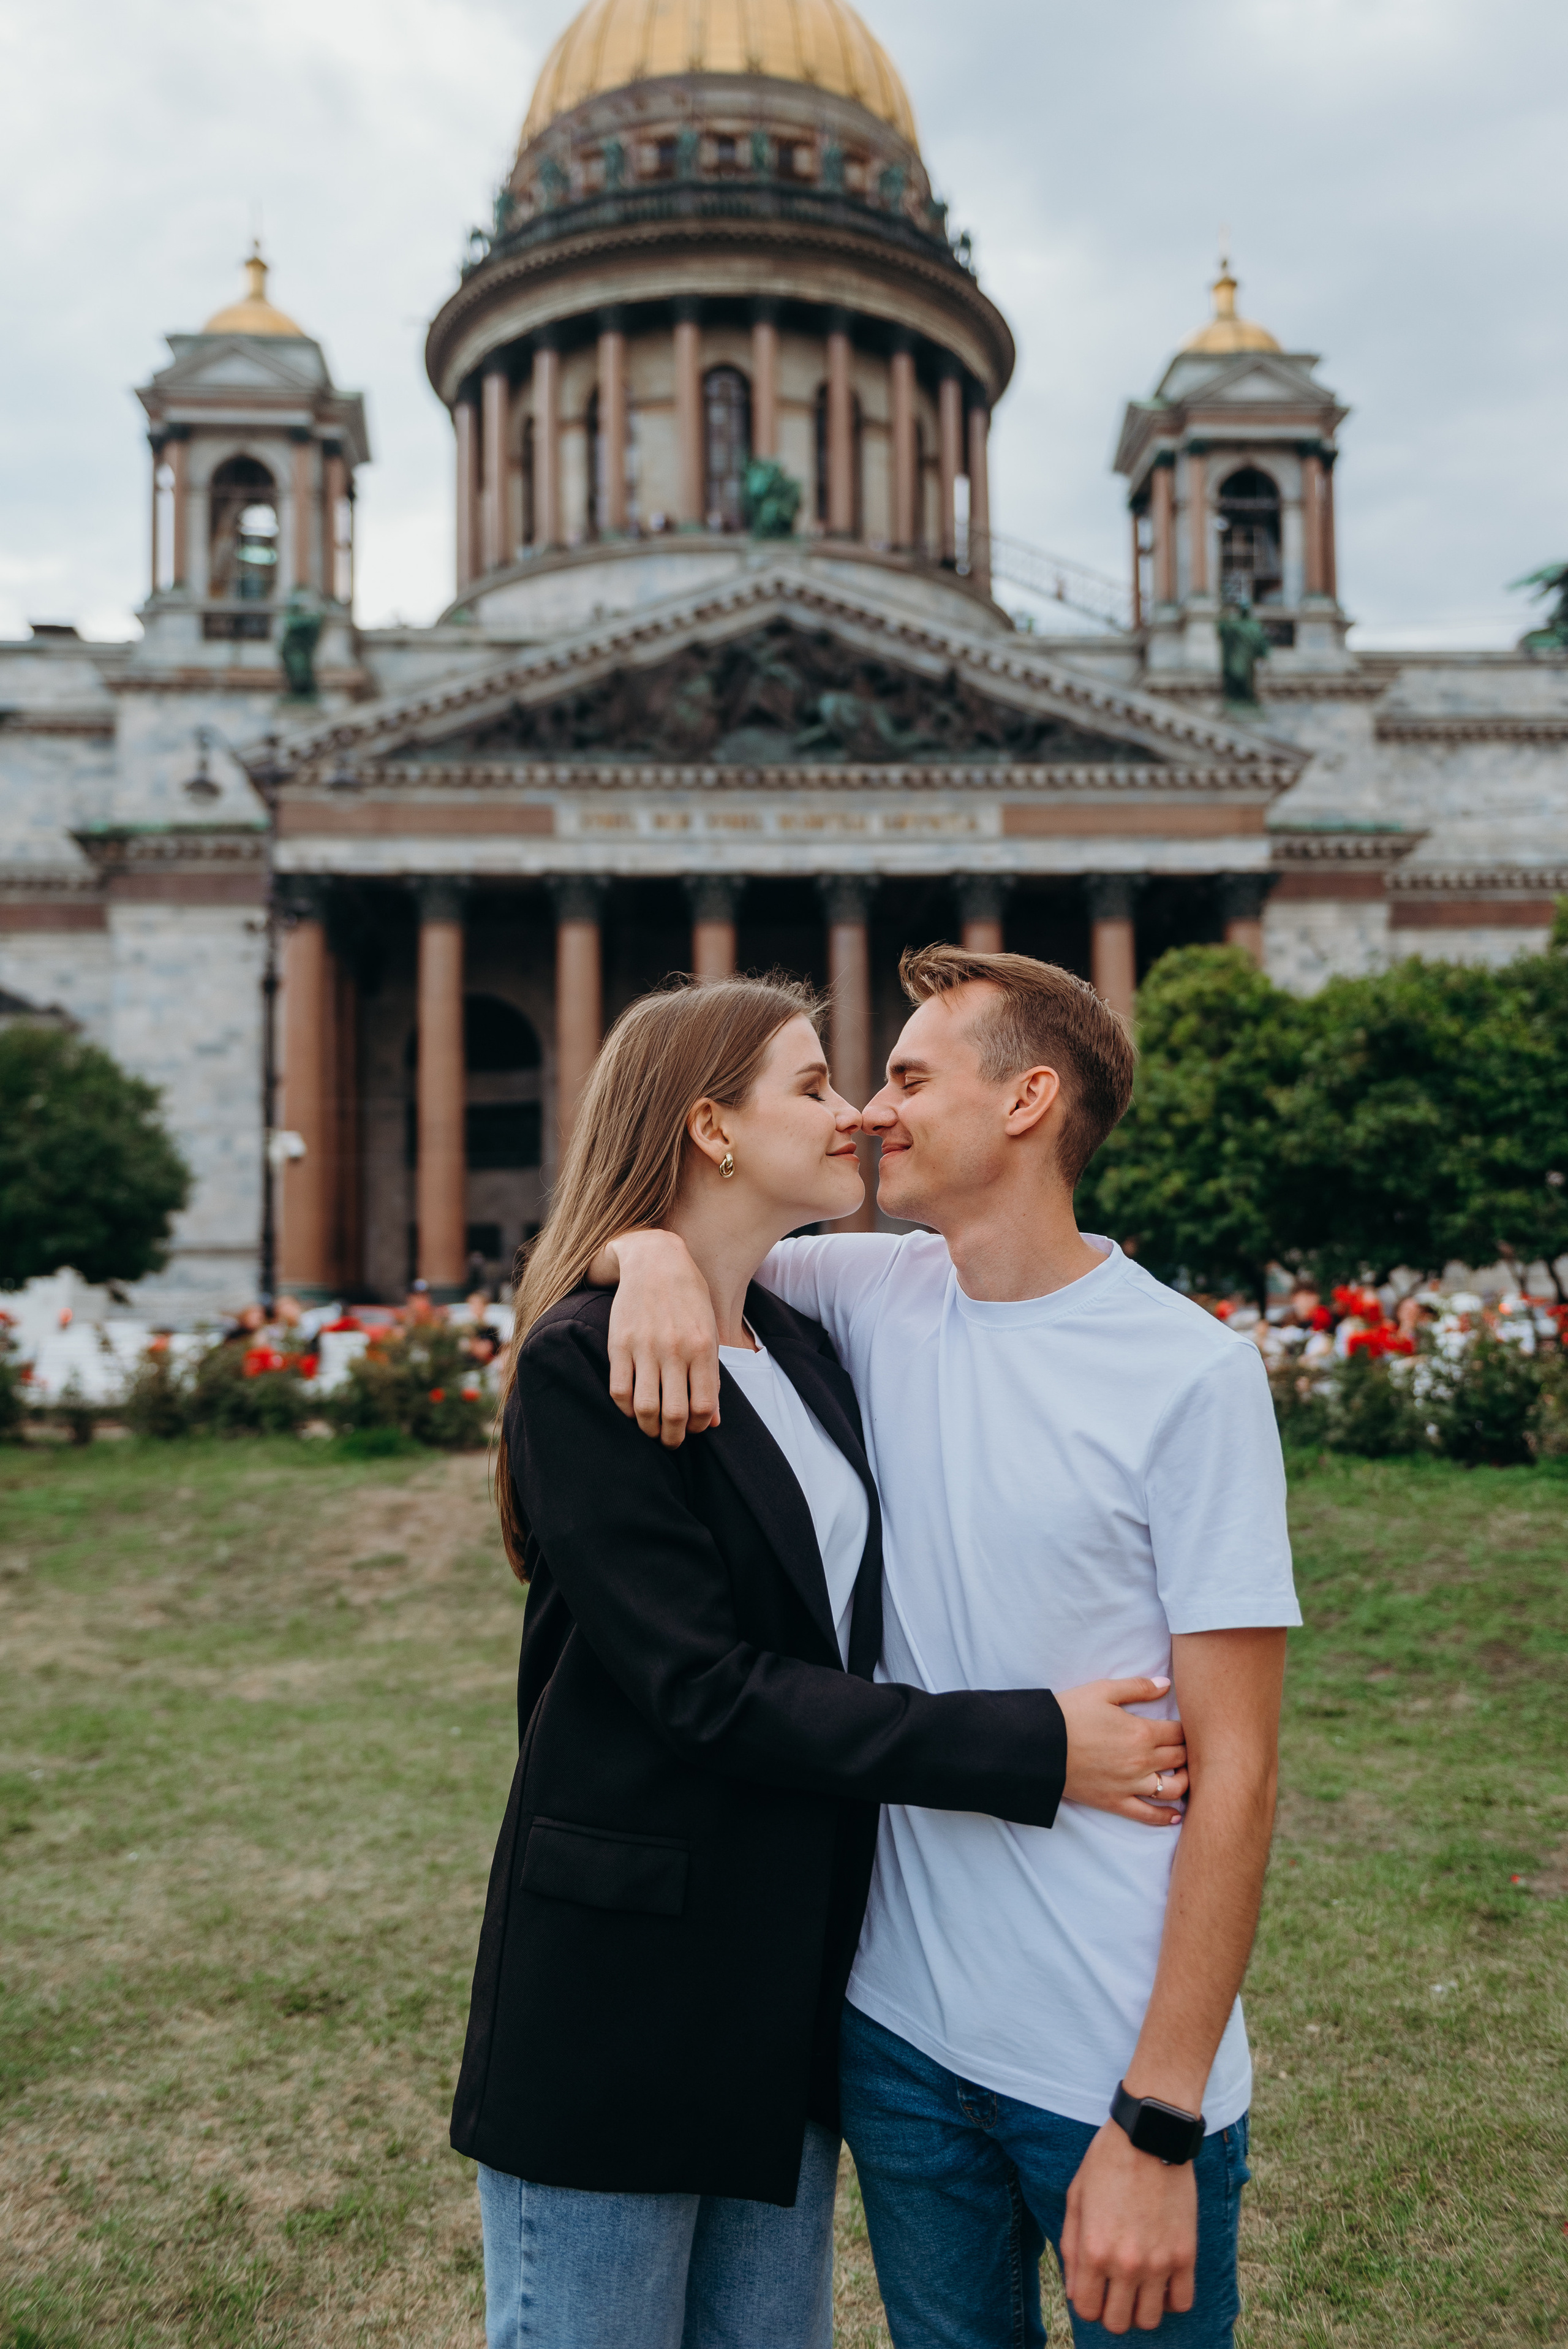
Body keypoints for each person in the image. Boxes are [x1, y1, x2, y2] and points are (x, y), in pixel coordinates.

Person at [453, 974, 1193, 2349]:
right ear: (712, 1132)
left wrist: (653, 1250)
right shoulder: (585, 1365)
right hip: (625, 1987)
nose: (854, 1112)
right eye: (812, 1085)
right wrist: (1031, 1743)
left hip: (787, 1979)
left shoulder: (802, 1328)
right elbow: (702, 1690)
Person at [600, 947, 1301, 2347]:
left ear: (1029, 1099)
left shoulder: (1189, 1374)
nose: (867, 1110)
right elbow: (689, 1217)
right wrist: (651, 1257)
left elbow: (1237, 1775)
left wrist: (1156, 2119)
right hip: (899, 2044)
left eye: (910, 1075)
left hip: (1104, 2059)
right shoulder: (867, 1295)